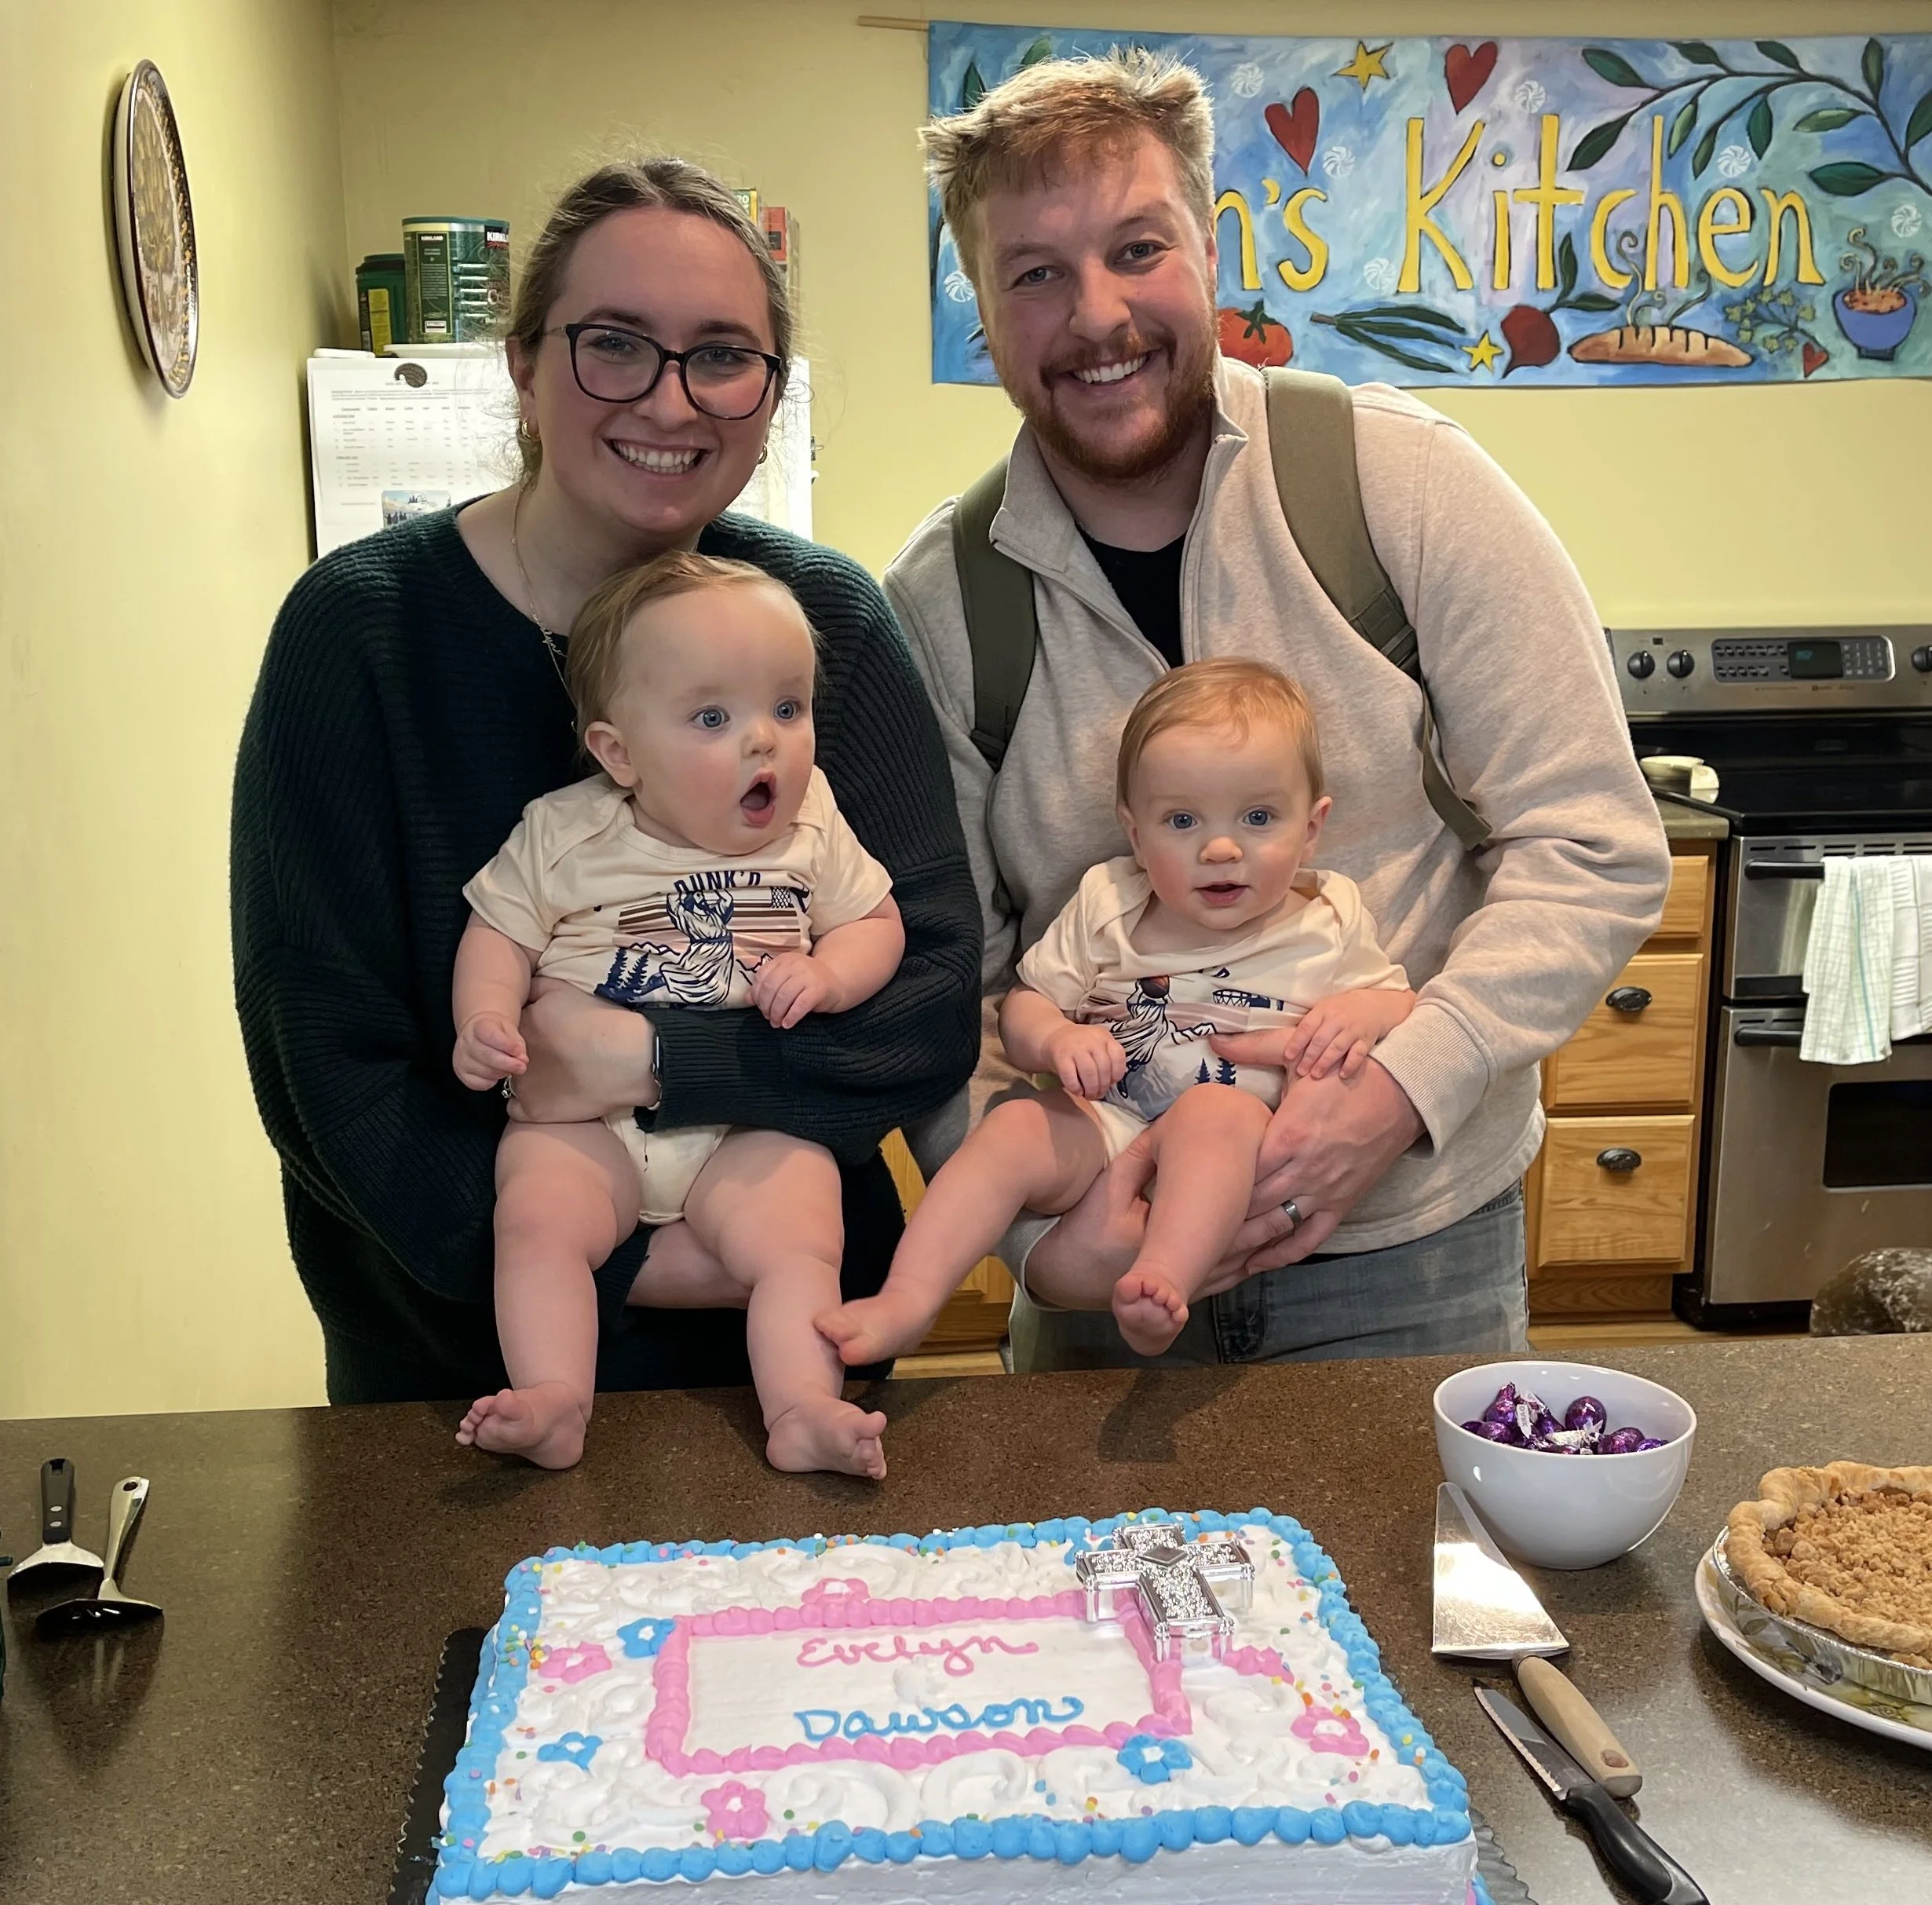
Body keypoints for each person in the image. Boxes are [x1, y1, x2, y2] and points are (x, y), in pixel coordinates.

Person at [887, 52, 1672, 1366]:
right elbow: (937, 978)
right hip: (1104, 1269)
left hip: (1410, 1261)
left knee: (1403, 1580)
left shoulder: (1401, 485)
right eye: (1034, 272)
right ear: (981, 304)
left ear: (1211, 245)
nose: (1097, 314)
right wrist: (1042, 1242)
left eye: (1139, 247)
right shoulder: (938, 604)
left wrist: (1404, 1087)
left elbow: (1589, 842)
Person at [233, 159, 980, 1408]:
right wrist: (630, 1262)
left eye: (723, 355)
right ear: (523, 364)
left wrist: (651, 1061)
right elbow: (326, 1071)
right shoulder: (358, 634)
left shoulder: (825, 628)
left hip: (793, 1363)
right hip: (459, 1380)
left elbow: (925, 1006)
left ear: (769, 394)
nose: (670, 400)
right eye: (614, 345)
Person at [823, 658, 1412, 1366]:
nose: (1220, 848)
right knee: (1013, 1126)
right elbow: (1026, 1003)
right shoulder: (1108, 901)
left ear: (1312, 826)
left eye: (1258, 818)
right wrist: (1054, 1040)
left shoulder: (1328, 916)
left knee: (1213, 1114)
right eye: (1182, 820)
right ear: (1134, 833)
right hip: (1110, 1122)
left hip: (1244, 1148)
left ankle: (1161, 1278)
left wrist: (1363, 1011)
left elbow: (1399, 999)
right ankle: (908, 1299)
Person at [455, 553, 902, 1475]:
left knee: (801, 1243)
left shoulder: (814, 821)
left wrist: (828, 976)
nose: (764, 743)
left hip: (746, 1128)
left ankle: (805, 1410)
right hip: (584, 1123)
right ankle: (554, 1398)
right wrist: (488, 1018)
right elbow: (497, 931)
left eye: (787, 708)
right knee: (538, 1223)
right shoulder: (564, 831)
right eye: (712, 718)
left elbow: (877, 922)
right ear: (619, 753)